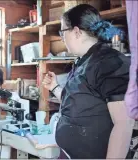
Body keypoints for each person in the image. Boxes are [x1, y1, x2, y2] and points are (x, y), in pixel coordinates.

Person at [42, 4, 134, 159]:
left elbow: (124, 123)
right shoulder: (83, 61)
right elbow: (77, 104)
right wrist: (55, 87)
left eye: (62, 31)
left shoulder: (109, 62)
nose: (62, 38)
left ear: (76, 32)